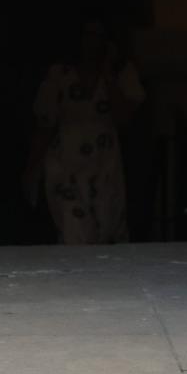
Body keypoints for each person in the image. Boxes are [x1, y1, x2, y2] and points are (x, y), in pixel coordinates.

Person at [25, 18, 145, 244]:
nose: (92, 43)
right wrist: (32, 169)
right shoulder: (60, 74)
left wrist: (108, 73)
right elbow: (45, 123)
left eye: (98, 36)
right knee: (73, 228)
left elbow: (124, 118)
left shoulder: (122, 73)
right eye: (88, 35)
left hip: (105, 166)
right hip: (66, 165)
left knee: (107, 232)